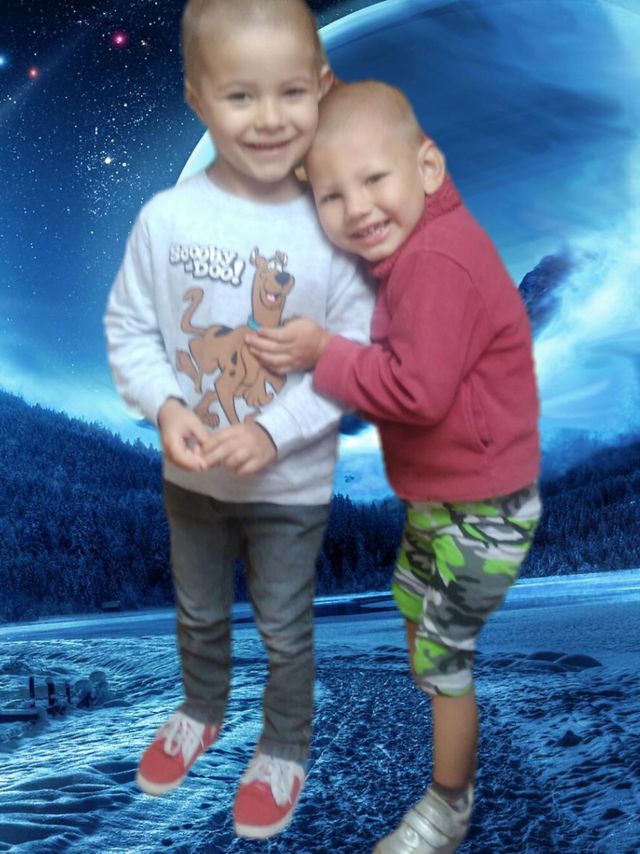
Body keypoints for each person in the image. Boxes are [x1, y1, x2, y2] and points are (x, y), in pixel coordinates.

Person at [246, 80, 542, 854]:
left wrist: (324, 353)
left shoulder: (437, 263)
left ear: (428, 169)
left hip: (485, 506)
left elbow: (417, 390)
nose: (357, 209)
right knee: (408, 594)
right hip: (439, 497)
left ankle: (448, 805)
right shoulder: (411, 244)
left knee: (442, 659)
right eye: (333, 196)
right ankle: (437, 668)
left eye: (374, 180)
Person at [103, 2, 374, 840]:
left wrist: (271, 431)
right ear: (197, 99)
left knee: (285, 624)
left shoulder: (334, 233)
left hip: (288, 484)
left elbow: (350, 357)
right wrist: (166, 404)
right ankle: (202, 709)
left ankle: (283, 746)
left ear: (320, 88)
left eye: (289, 92)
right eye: (238, 96)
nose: (267, 120)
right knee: (199, 612)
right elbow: (130, 329)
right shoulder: (165, 221)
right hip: (193, 477)